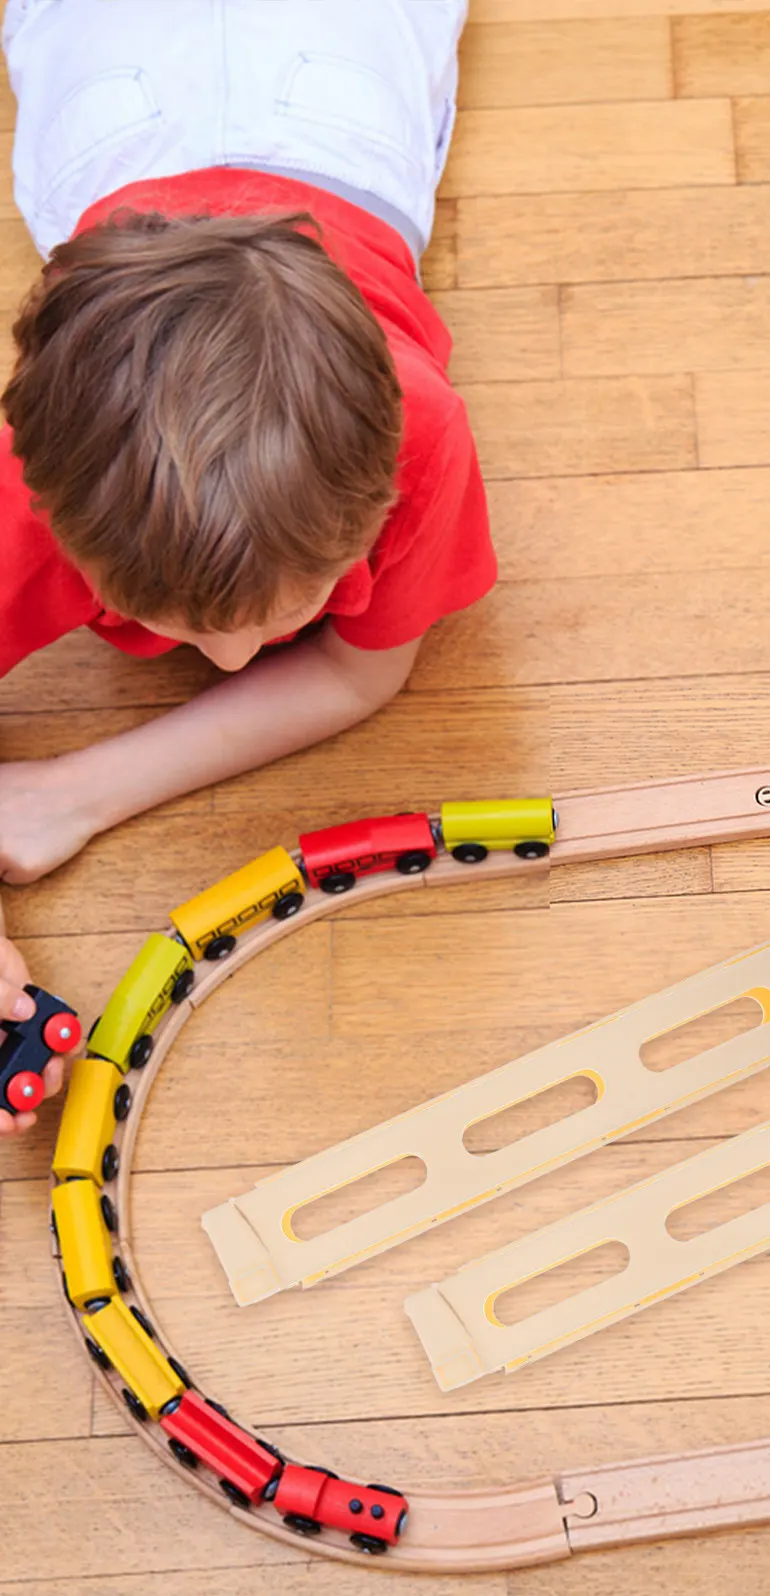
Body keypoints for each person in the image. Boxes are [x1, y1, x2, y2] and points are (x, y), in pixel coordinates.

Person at [0, 0, 489, 1133]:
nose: (226, 658)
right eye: (149, 612)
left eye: (288, 608)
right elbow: (346, 669)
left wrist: (77, 790)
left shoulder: (423, 429)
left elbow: (366, 673)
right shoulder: (26, 480)